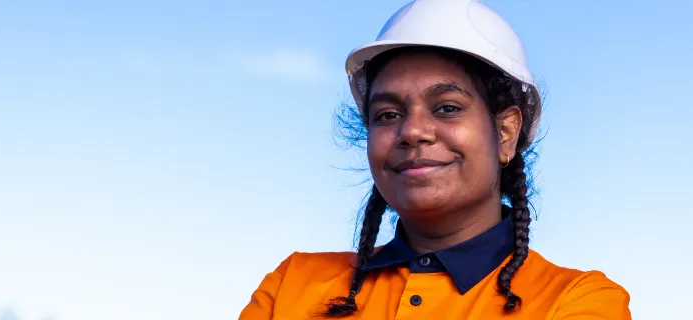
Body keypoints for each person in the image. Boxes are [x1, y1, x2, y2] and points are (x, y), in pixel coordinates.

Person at [238, 0, 631, 319]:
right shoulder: (292, 286)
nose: (412, 131)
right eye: (387, 115)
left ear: (506, 133)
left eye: (446, 108)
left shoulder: (577, 302)